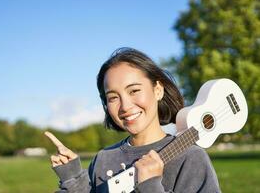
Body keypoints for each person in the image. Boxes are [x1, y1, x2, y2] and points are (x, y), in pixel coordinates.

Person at [45, 47, 220, 193]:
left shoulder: (191, 158)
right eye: (113, 97)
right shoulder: (103, 158)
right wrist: (73, 177)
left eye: (134, 90)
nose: (125, 106)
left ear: (158, 90)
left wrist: (150, 186)